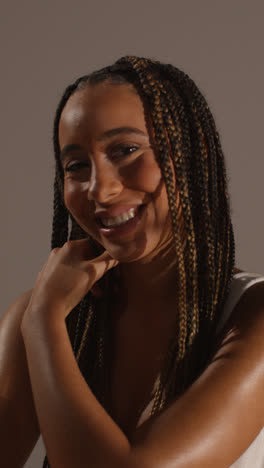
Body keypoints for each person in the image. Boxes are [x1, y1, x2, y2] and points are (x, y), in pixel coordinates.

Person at [1, 56, 264, 468]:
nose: (99, 190)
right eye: (76, 166)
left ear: (191, 155)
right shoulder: (44, 320)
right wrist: (41, 318)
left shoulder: (251, 315)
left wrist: (43, 321)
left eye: (125, 150)